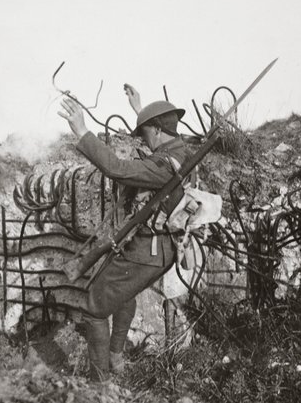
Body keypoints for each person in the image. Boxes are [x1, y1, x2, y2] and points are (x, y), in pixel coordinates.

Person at [58, 88, 190, 383]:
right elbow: (157, 142)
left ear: (157, 130)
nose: (143, 139)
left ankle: (100, 383)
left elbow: (118, 169)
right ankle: (116, 357)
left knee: (93, 309)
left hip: (148, 249)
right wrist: (141, 111)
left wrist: (82, 132)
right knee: (123, 296)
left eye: (146, 133)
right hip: (159, 249)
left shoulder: (164, 165)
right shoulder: (180, 151)